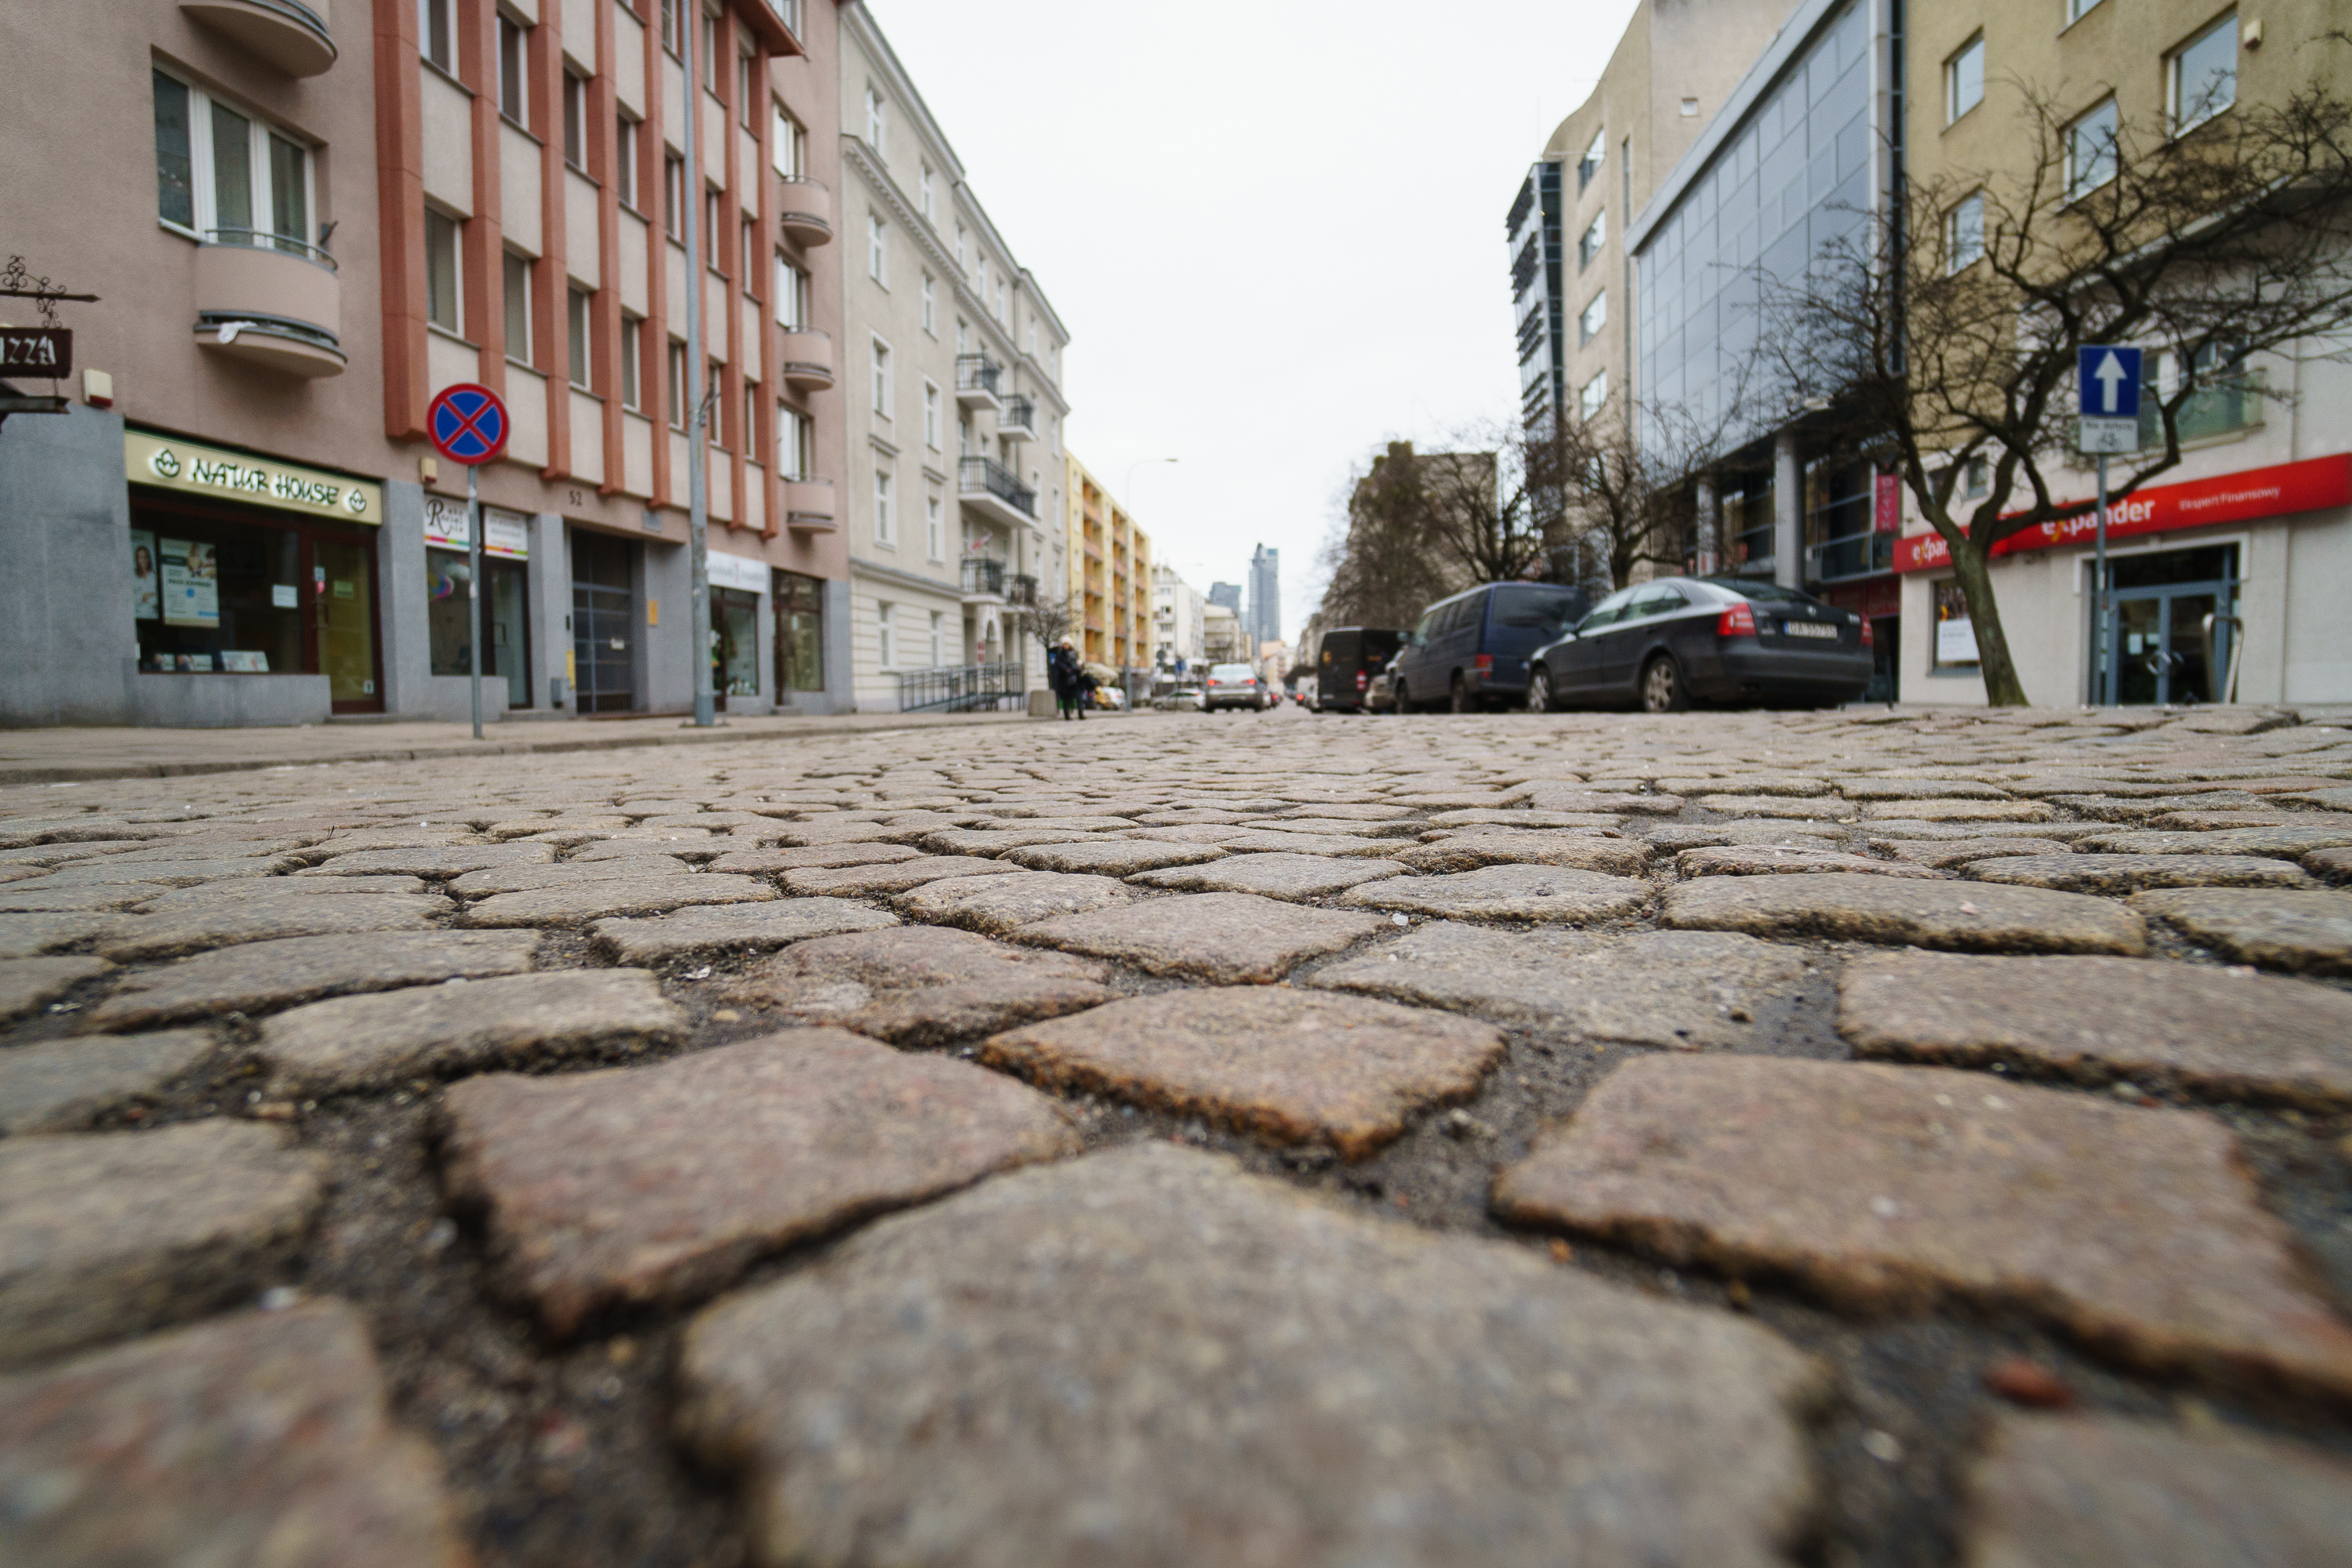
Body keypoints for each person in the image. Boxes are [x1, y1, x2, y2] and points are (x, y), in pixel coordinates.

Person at [1047, 636, 1086, 720]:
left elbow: (1076, 662)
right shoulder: (1060, 653)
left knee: (1078, 696)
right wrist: (1066, 669)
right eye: (1064, 644)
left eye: (1067, 644)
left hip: (1075, 678)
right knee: (1066, 697)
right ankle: (1067, 715)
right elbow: (1058, 663)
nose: (1066, 646)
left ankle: (1081, 713)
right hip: (1065, 679)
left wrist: (1079, 667)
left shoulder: (1074, 653)